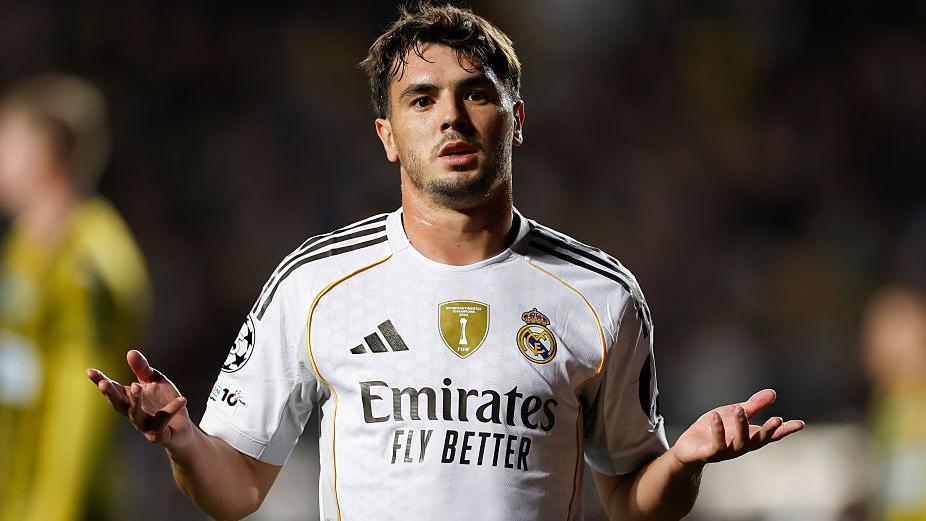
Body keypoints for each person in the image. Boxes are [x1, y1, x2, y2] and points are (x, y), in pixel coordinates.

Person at [88, 4, 803, 520]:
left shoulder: (600, 292)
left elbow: (632, 500)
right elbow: (237, 487)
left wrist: (680, 462)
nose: (451, 117)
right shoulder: (315, 281)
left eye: (477, 94)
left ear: (516, 121)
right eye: (421, 100)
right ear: (388, 135)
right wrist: (182, 439)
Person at [0, 74, 150, 521]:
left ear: (43, 153)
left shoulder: (93, 263)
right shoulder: (24, 249)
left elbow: (79, 414)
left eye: (7, 143)